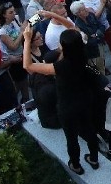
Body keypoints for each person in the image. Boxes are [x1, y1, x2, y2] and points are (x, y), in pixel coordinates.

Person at [23, 25, 106, 175]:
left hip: (67, 107)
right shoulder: (84, 54)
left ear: (65, 47)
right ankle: (94, 159)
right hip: (85, 101)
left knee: (71, 138)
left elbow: (28, 65)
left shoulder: (60, 67)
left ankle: (76, 165)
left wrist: (27, 40)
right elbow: (73, 29)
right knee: (90, 130)